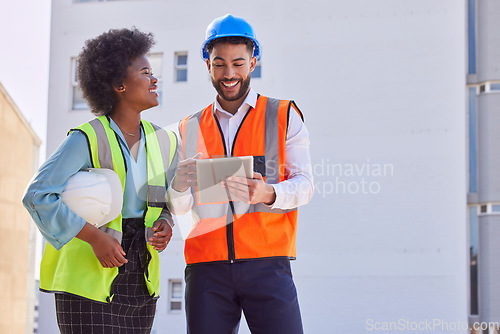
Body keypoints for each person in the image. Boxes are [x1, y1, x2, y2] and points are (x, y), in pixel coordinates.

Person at [22, 28, 177, 334]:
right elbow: (38, 195)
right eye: (145, 72)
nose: (154, 79)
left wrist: (166, 224)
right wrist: (95, 238)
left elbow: (163, 202)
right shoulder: (86, 138)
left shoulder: (165, 141)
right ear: (119, 84)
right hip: (86, 282)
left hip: (141, 281)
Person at [168, 14, 314, 334]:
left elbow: (305, 185)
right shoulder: (187, 128)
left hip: (268, 265)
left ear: (253, 62)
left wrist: (269, 193)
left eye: (238, 63)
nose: (229, 73)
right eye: (219, 63)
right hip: (206, 270)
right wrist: (177, 187)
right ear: (208, 65)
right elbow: (179, 208)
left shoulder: (283, 114)